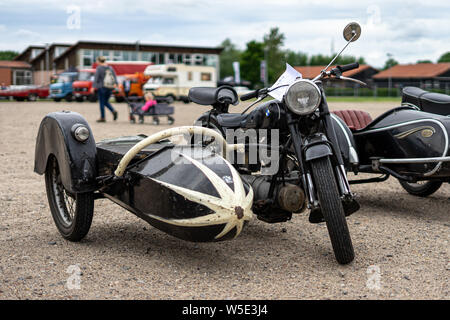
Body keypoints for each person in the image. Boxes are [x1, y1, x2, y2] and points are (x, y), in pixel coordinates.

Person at [92, 56, 118, 122]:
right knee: (105, 102)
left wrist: (93, 87)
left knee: (101, 102)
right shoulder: (110, 68)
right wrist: (116, 84)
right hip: (110, 87)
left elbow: (96, 78)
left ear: (99, 61)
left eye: (97, 61)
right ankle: (113, 111)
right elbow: (114, 76)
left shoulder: (99, 68)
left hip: (102, 87)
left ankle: (103, 117)